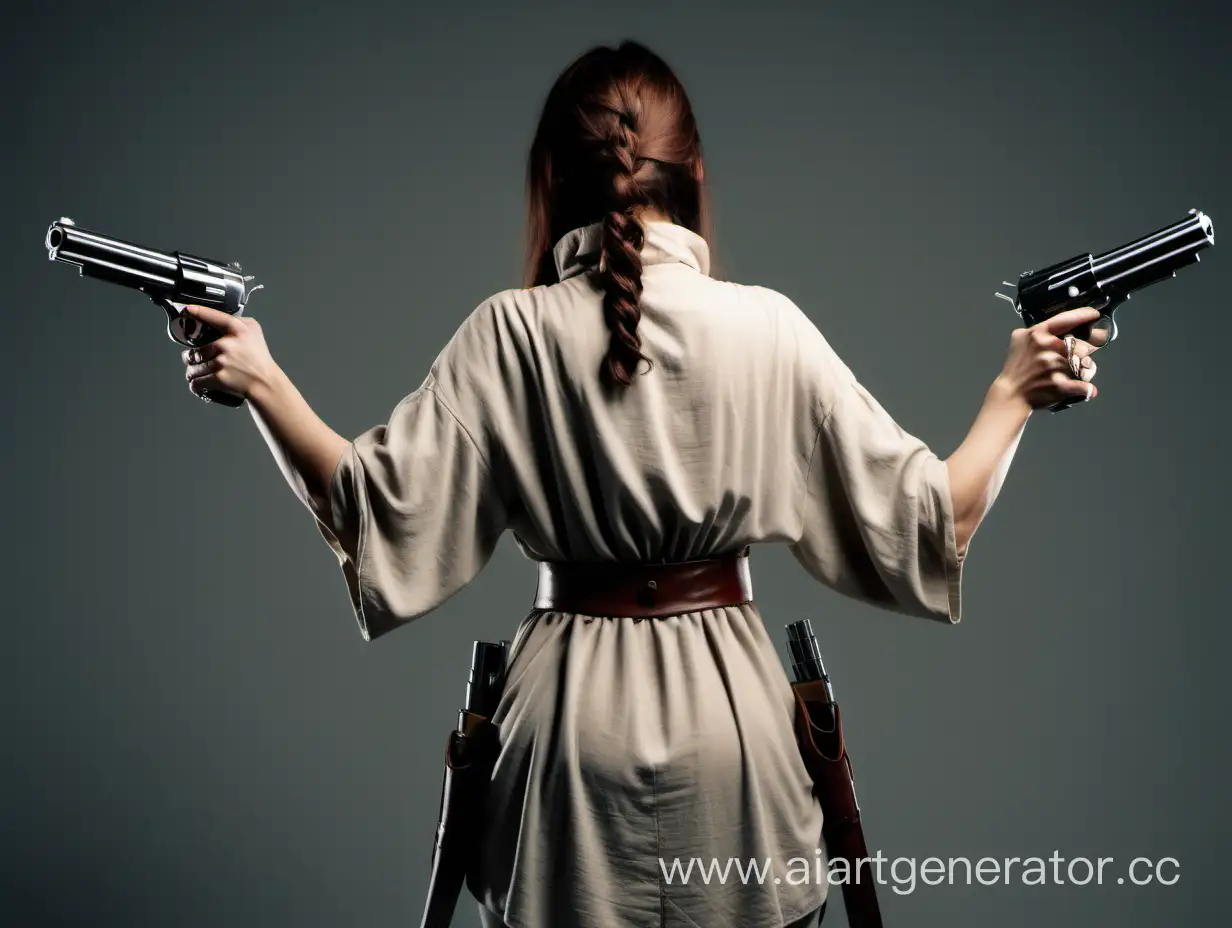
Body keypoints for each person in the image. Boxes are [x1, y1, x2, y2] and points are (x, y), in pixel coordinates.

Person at [179, 40, 1101, 928]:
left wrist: (262, 380)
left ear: (553, 179)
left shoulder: (511, 332)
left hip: (561, 749)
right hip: (733, 745)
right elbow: (931, 522)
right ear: (691, 174)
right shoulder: (767, 327)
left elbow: (375, 511)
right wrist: (1012, 392)